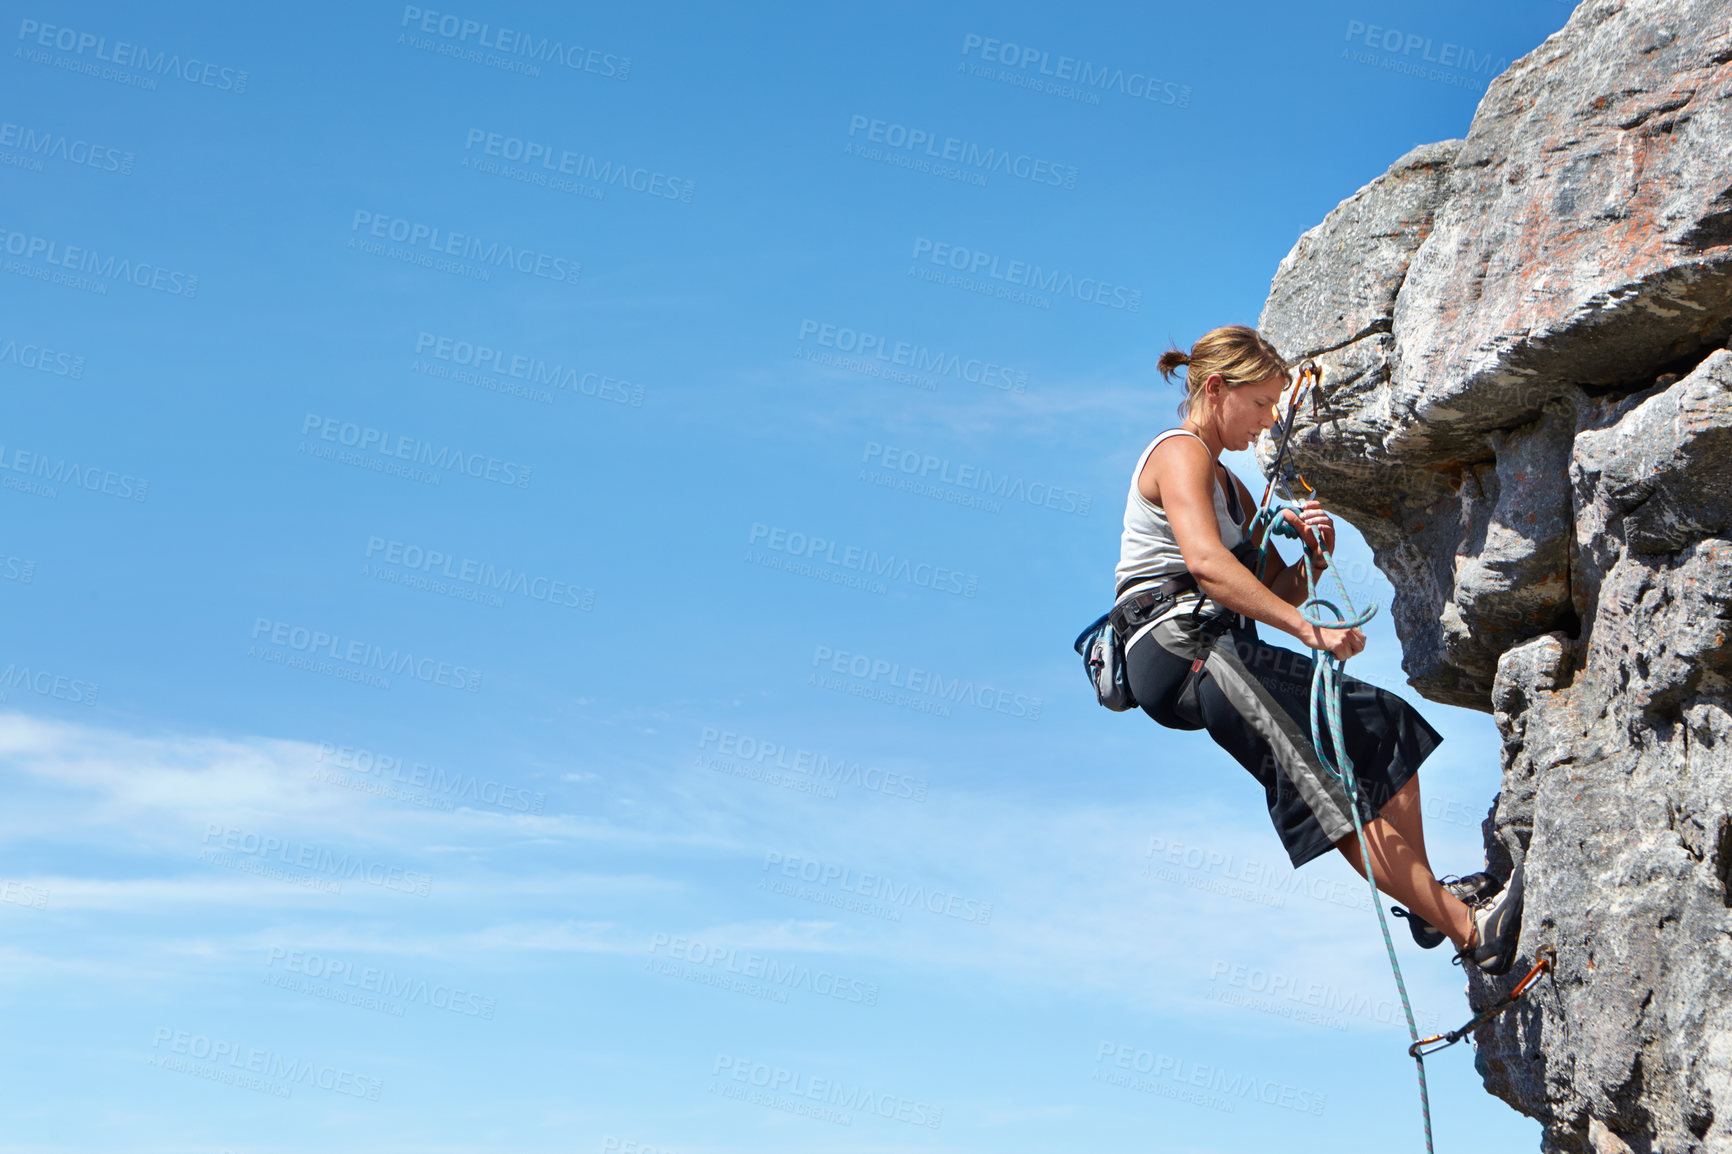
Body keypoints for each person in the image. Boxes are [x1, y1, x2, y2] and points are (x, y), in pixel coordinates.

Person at [1115, 324, 1524, 974]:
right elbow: (1207, 563)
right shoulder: (1179, 453)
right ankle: (1472, 931)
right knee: (1325, 788)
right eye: (1261, 404)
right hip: (1181, 645)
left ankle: (1428, 903)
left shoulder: (1234, 487)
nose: (1267, 421)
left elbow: (1273, 587)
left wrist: (1316, 553)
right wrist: (1310, 633)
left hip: (1216, 645)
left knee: (1386, 727)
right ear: (1217, 389)